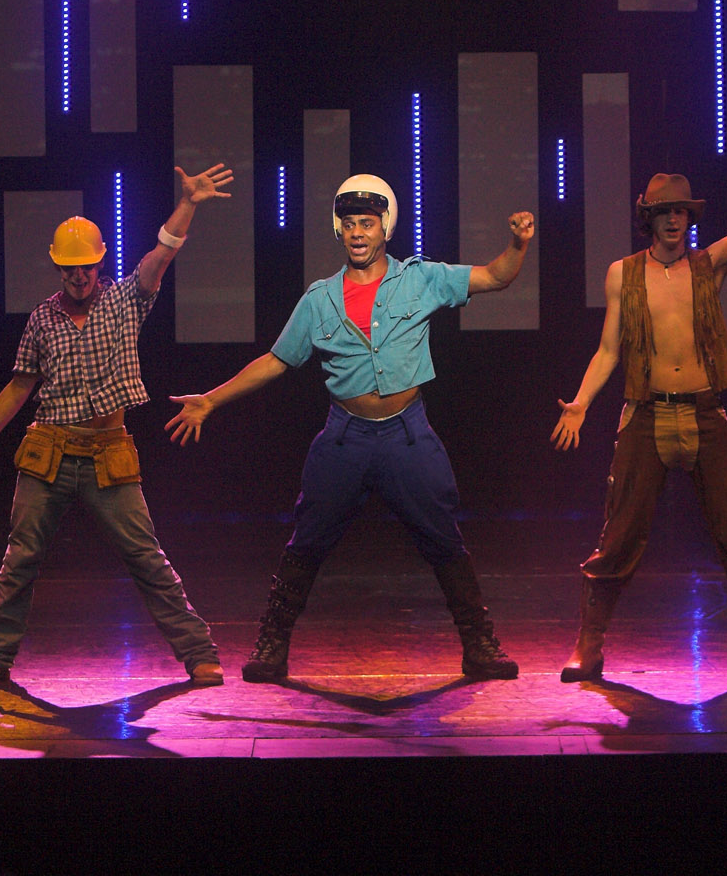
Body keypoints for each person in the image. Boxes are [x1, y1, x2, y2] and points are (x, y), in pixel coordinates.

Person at [166, 175, 533, 683]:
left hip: (408, 436)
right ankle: (272, 645)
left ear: (386, 227)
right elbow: (275, 361)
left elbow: (496, 277)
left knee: (443, 539)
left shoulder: (421, 279)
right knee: (307, 541)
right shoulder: (320, 299)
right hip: (346, 438)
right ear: (338, 230)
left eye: (367, 223)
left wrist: (517, 244)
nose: (358, 232)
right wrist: (211, 399)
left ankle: (479, 645)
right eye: (349, 224)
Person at [0, 165, 234, 688]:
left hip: (107, 451)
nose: (79, 277)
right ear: (58, 268)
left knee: (145, 555)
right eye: (69, 269)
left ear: (100, 262)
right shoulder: (42, 318)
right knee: (21, 557)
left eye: (86, 267)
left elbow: (162, 253)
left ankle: (198, 652)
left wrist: (188, 202)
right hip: (50, 449)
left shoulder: (125, 301)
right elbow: (20, 386)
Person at [551, 95, 727, 682]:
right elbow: (609, 349)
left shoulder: (709, 264)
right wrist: (582, 403)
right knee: (619, 537)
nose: (673, 220)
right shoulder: (623, 273)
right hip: (646, 415)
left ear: (690, 219)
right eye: (663, 212)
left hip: (704, 412)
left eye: (681, 212)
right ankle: (588, 645)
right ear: (649, 218)